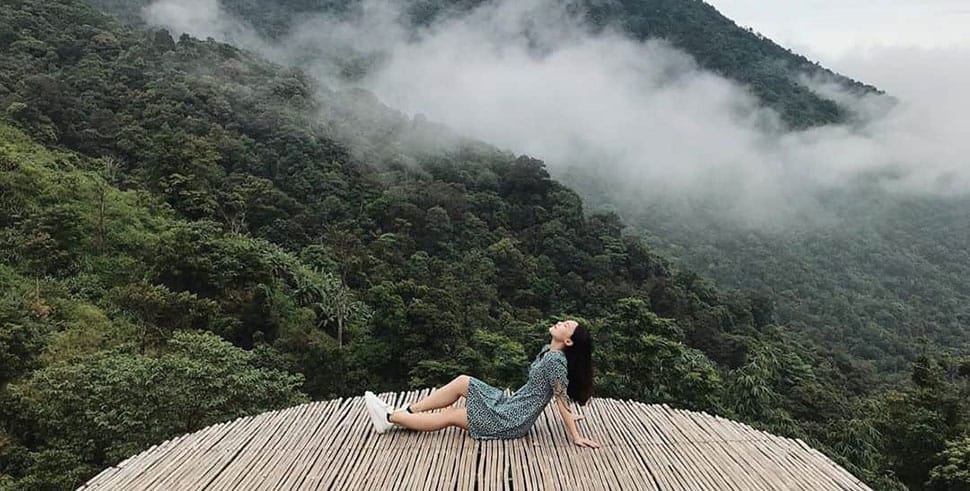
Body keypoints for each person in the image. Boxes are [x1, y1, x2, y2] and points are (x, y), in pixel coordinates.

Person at [364, 320, 601, 449]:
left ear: (568, 341)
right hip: (509, 405)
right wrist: (571, 417)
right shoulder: (546, 353)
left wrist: (575, 435)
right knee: (463, 381)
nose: (559, 322)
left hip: (511, 420)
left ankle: (389, 419)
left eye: (565, 326)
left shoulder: (555, 362)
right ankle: (408, 411)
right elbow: (552, 392)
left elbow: (560, 400)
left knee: (452, 415)